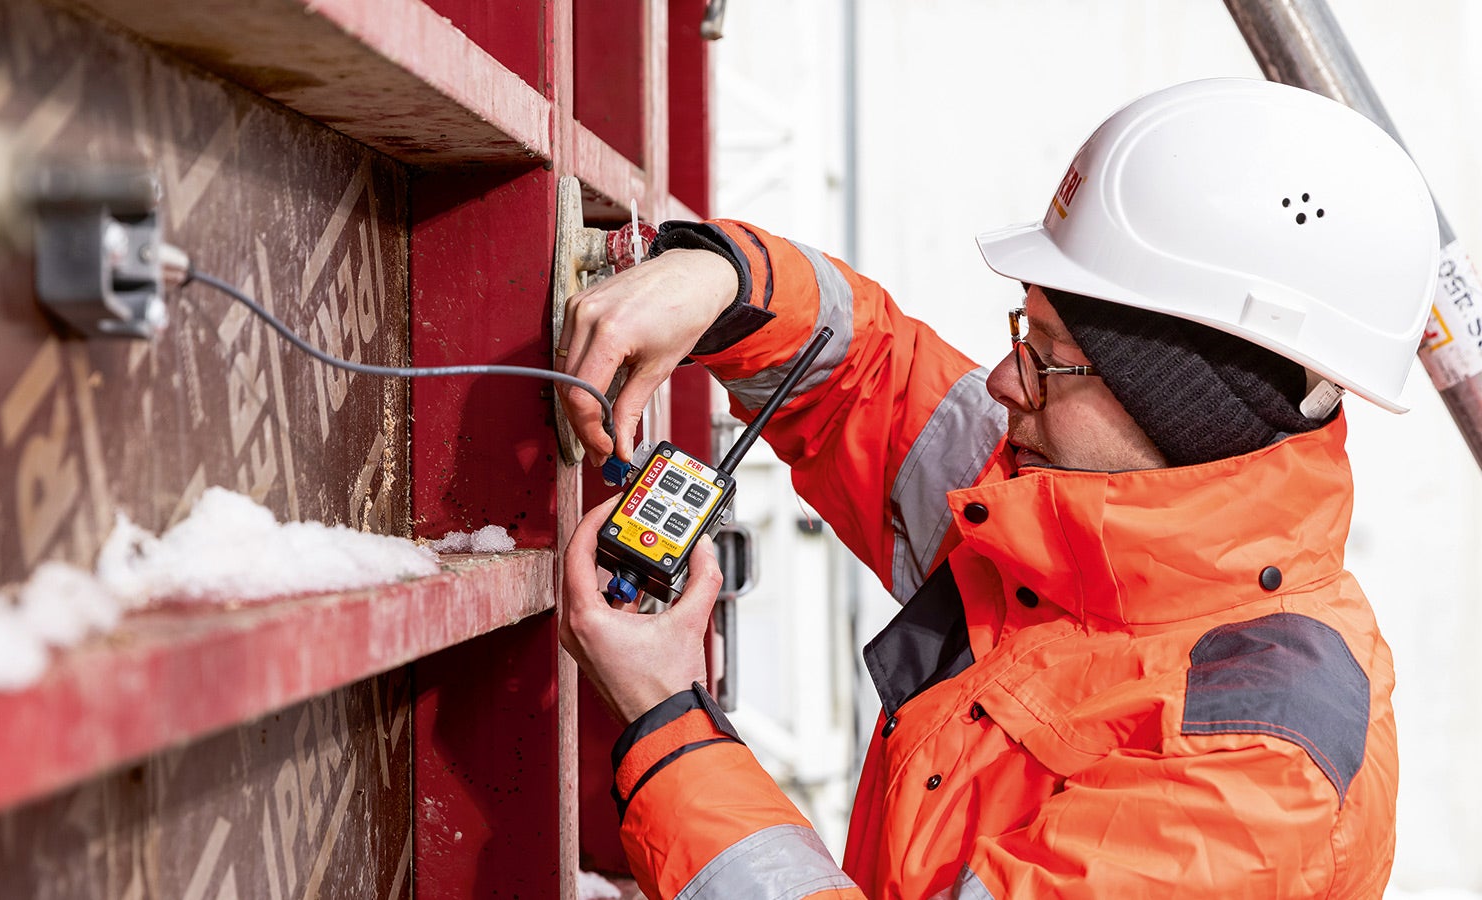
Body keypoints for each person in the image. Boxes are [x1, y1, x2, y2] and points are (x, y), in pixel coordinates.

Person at [555, 78, 1438, 899]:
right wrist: (724, 280)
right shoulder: (1074, 508)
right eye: (1027, 325)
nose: (1006, 383)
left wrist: (667, 722)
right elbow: (863, 377)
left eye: (1049, 352)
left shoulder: (1254, 771)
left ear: (1183, 405)